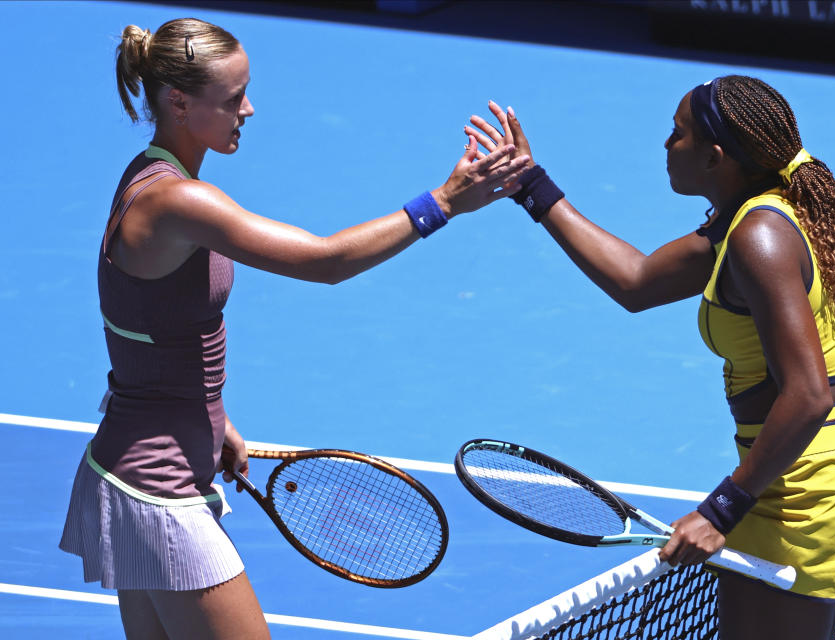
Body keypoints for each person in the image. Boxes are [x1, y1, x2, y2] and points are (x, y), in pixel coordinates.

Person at [58, 17, 529, 640]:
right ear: (177, 102)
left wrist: (212, 416)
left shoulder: (152, 178)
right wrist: (441, 203)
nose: (247, 110)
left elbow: (149, 327)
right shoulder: (179, 203)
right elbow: (324, 260)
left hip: (135, 469)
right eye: (231, 100)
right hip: (159, 488)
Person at [467, 77, 835, 639]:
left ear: (714, 157)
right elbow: (637, 281)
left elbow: (809, 394)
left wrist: (722, 509)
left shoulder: (758, 239)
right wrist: (531, 185)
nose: (666, 145)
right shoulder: (755, 217)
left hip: (806, 486)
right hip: (819, 467)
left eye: (678, 134)